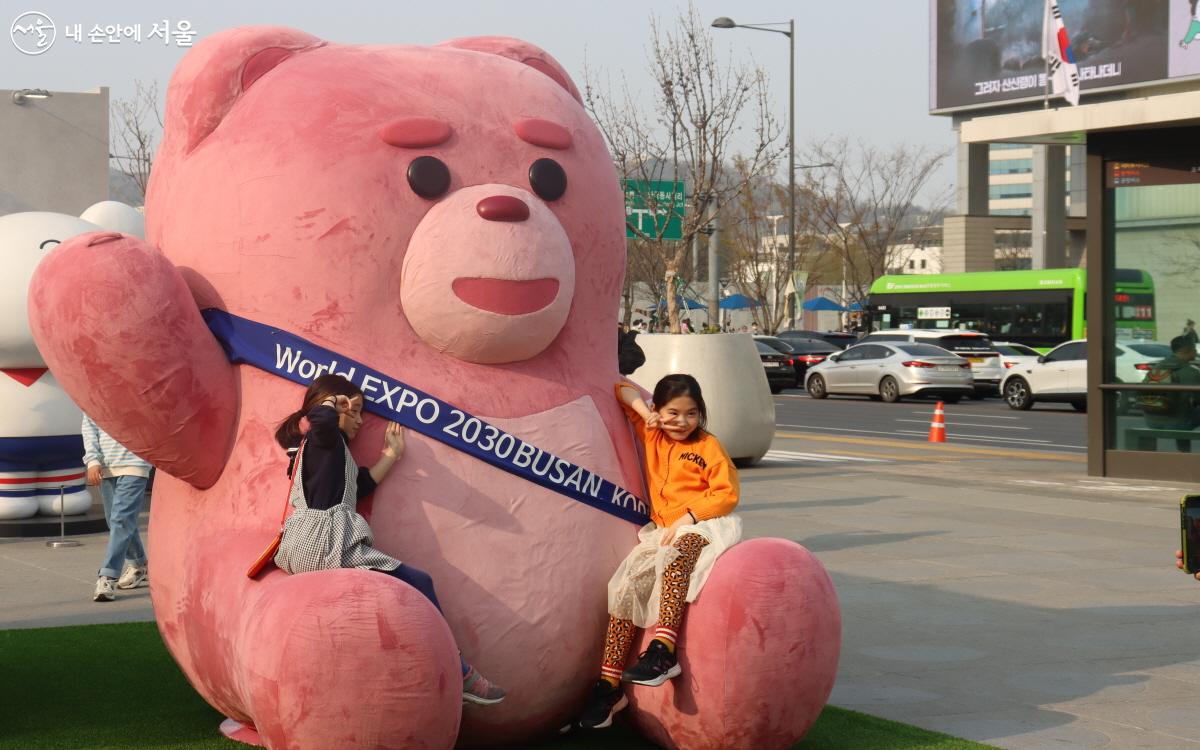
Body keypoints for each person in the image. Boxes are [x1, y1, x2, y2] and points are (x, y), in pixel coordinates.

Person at [273, 374, 505, 705]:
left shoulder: (331, 453)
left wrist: (392, 455)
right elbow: (320, 420)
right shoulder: (325, 439)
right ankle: (459, 671)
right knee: (419, 582)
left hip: (312, 544)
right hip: (325, 545)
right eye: (355, 411)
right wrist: (330, 404)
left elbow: (360, 486)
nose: (360, 419)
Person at [568, 374, 741, 730]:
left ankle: (663, 651)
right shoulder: (652, 433)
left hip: (702, 524)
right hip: (661, 532)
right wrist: (642, 411)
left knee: (678, 556)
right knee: (626, 587)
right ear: (658, 411)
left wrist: (688, 518)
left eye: (691, 413)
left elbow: (727, 494)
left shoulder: (709, 446)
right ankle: (609, 686)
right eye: (672, 413)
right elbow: (620, 388)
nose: (682, 421)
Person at [84, 415, 152, 602]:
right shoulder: (93, 393)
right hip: (105, 467)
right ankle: (139, 564)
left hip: (135, 464)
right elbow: (89, 426)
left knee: (121, 521)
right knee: (118, 521)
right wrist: (92, 460)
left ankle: (107, 576)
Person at [1140, 335, 1200, 434]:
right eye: (1194, 349)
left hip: (1151, 421)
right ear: (1187, 350)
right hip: (1178, 423)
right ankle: (1184, 449)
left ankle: (1183, 448)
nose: (1196, 352)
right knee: (1184, 410)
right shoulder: (1191, 372)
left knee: (1181, 408)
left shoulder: (1156, 368)